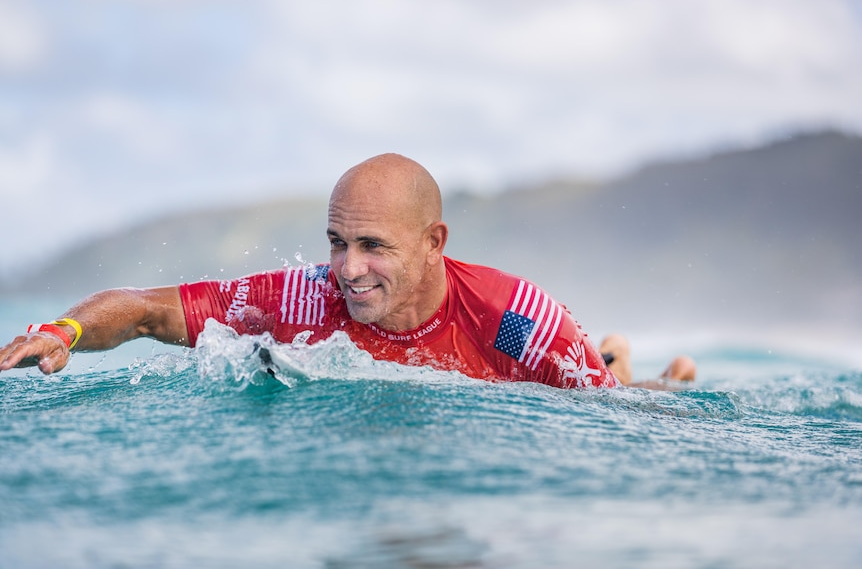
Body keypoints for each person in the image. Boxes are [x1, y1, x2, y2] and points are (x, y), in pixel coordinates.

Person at [0, 154, 696, 389]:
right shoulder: (304, 298)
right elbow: (144, 306)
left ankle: (632, 361)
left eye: (372, 246)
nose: (347, 269)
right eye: (336, 242)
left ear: (434, 242)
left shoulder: (514, 321)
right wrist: (62, 328)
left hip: (558, 369)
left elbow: (609, 423)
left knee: (611, 385)